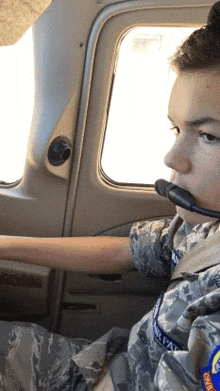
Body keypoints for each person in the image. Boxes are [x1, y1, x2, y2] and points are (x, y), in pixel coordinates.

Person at [2, 2, 220, 390]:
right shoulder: (205, 228)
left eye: (209, 136)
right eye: (176, 130)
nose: (172, 159)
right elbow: (124, 251)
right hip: (101, 365)